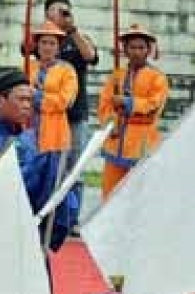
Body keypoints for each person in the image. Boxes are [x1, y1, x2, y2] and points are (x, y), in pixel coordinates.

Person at [0, 69, 79, 253]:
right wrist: (45, 164)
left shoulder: (27, 136)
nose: (28, 105)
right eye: (21, 99)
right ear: (0, 101)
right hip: (0, 235)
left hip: (30, 229)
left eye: (29, 100)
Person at [43, 0, 98, 232]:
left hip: (75, 113)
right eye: (57, 10)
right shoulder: (41, 38)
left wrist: (72, 30)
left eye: (66, 11)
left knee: (74, 167)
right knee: (48, 164)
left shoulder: (79, 39)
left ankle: (72, 217)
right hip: (48, 113)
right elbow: (27, 51)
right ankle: (48, 211)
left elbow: (90, 56)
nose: (62, 15)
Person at [97, 24, 168, 198]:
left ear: (148, 50)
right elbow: (104, 104)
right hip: (116, 140)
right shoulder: (116, 75)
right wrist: (110, 120)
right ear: (125, 50)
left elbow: (155, 104)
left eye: (141, 47)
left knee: (139, 192)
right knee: (110, 191)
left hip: (142, 141)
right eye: (132, 47)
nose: (136, 52)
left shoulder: (157, 77)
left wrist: (128, 102)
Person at [25, 21, 77, 154]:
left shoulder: (67, 70)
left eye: (52, 43)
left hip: (55, 134)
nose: (47, 47)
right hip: (28, 129)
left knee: (53, 173)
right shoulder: (28, 67)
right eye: (44, 42)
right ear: (37, 45)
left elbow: (65, 101)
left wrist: (37, 96)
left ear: (58, 47)